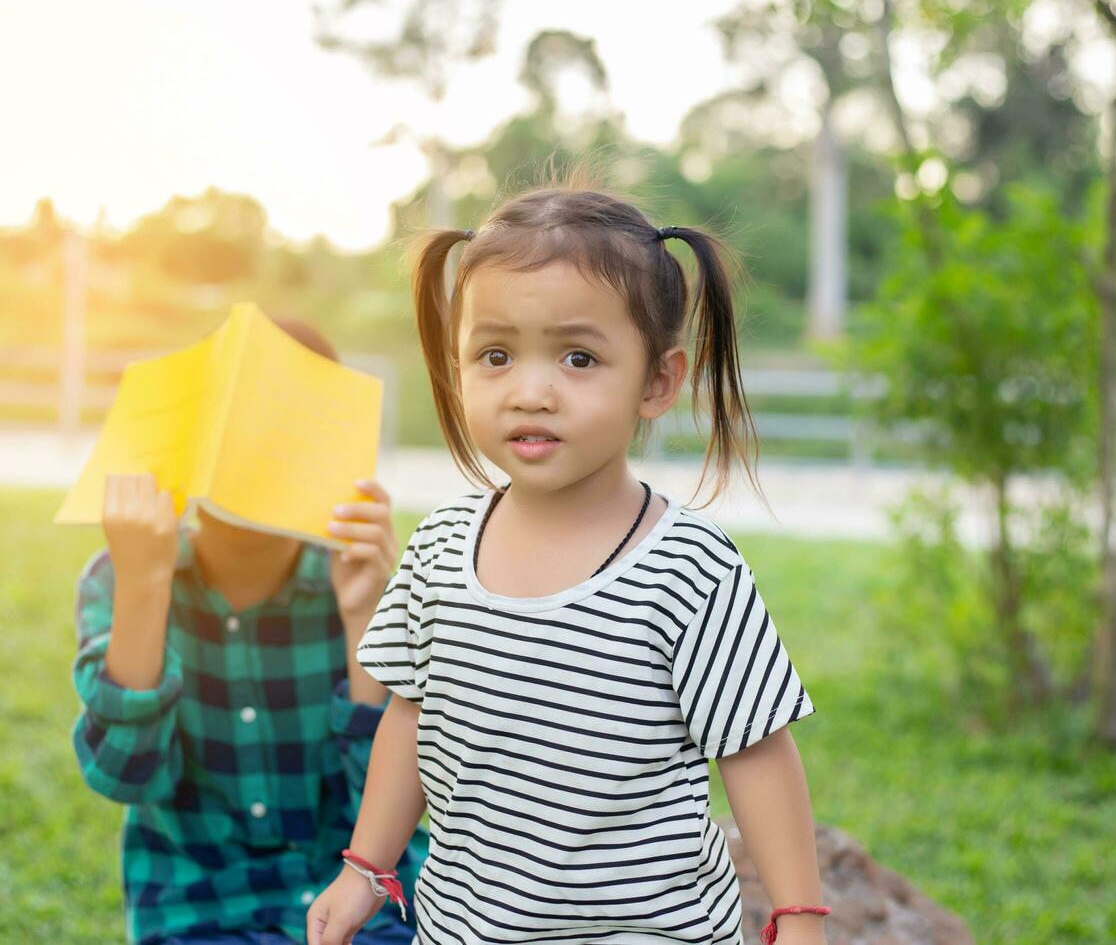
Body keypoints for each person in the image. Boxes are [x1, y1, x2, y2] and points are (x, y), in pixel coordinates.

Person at [305, 166, 829, 945]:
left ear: (657, 381)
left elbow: (755, 749)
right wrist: (366, 867)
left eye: (577, 359)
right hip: (467, 927)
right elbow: (410, 718)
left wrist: (797, 915)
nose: (531, 391)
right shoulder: (441, 546)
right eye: (495, 356)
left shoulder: (688, 568)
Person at [70, 319, 427, 945]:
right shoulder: (117, 578)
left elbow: (392, 796)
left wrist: (363, 613)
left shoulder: (362, 584)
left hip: (358, 899)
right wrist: (146, 587)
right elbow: (126, 775)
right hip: (197, 910)